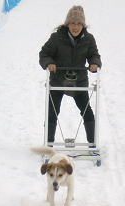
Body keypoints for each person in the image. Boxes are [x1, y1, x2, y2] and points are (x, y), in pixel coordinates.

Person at [39, 5, 102, 145]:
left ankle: (92, 144)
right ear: (67, 24)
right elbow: (44, 54)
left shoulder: (89, 39)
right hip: (57, 81)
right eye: (73, 23)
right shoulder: (56, 38)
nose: (76, 27)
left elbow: (94, 55)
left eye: (79, 23)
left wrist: (94, 63)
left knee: (87, 112)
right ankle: (48, 143)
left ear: (83, 25)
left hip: (79, 81)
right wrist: (49, 63)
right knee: (52, 112)